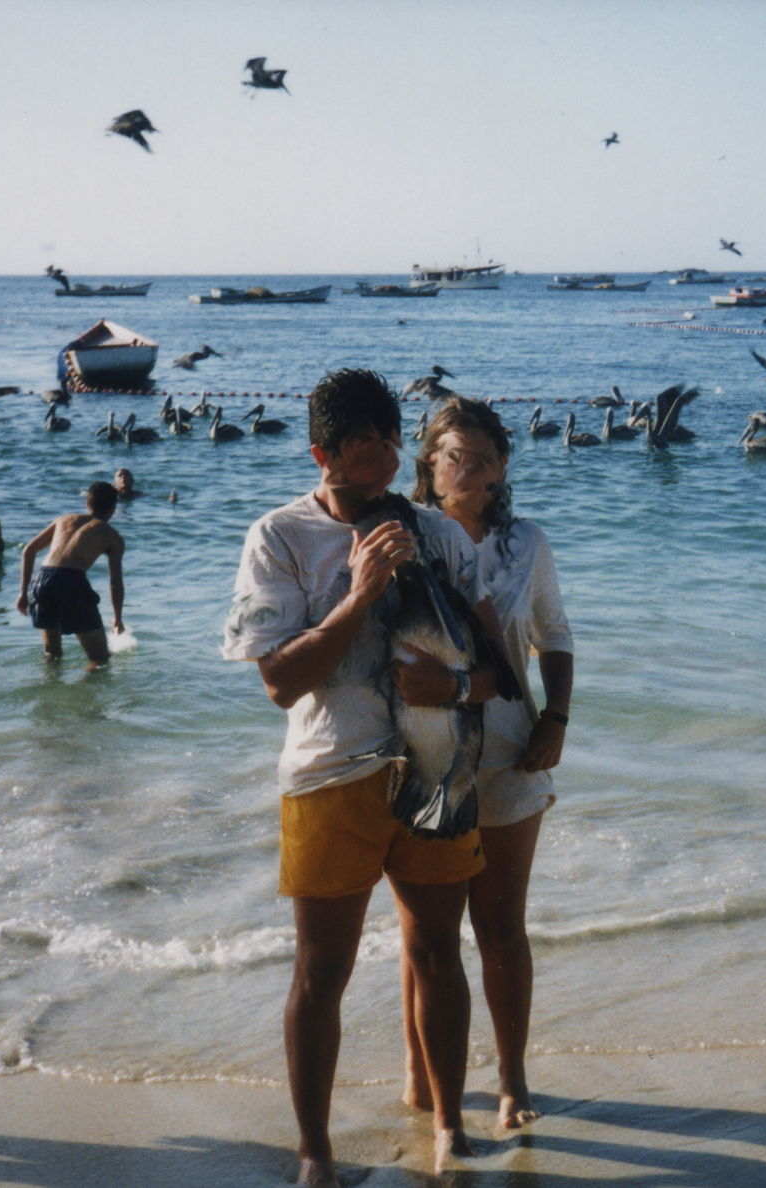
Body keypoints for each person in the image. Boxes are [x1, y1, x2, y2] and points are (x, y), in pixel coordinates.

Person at [221, 368, 510, 1184]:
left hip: (437, 768)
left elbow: (497, 674)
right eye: (361, 448)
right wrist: (359, 593)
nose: (382, 462)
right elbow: (279, 682)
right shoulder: (278, 537)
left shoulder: (442, 534)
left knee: (438, 954)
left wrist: (451, 688)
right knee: (321, 971)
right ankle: (314, 1153)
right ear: (321, 453)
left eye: (390, 443)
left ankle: (451, 1124)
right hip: (329, 773)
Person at [405, 397, 573, 1129]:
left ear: (502, 467)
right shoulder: (404, 534)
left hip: (508, 747)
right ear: (428, 460)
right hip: (420, 751)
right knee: (425, 936)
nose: (464, 468)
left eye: (479, 457)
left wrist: (557, 718)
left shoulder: (524, 543)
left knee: (500, 927)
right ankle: (421, 1074)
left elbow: (554, 634)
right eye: (451, 454)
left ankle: (510, 1077)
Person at [16, 482, 125, 668]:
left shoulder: (64, 519)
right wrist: (117, 618)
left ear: (87, 504)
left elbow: (28, 551)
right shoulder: (112, 536)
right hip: (71, 582)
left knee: (52, 653)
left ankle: (49, 693)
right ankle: (81, 693)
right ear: (113, 508)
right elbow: (115, 583)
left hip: (41, 579)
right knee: (100, 660)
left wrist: (23, 593)